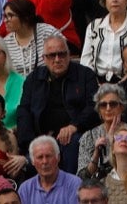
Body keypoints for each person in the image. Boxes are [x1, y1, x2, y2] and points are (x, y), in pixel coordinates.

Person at [18, 35, 97, 171]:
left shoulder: (85, 75)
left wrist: (74, 126)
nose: (57, 59)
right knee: (31, 159)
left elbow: (94, 106)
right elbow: (24, 111)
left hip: (75, 135)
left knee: (71, 143)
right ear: (44, 59)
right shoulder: (34, 78)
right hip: (42, 136)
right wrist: (32, 142)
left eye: (62, 54)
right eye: (52, 55)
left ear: (69, 55)